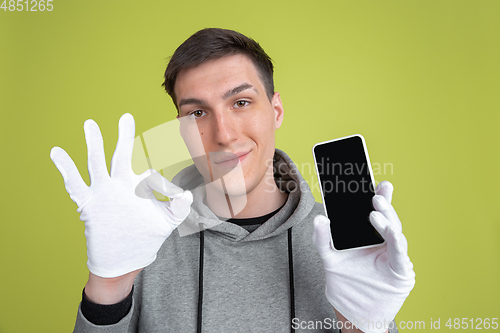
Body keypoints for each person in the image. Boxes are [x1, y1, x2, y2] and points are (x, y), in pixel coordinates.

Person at [50, 28, 415, 333]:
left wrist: (363, 325)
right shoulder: (143, 238)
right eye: (197, 112)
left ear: (275, 111)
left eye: (240, 102)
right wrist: (108, 285)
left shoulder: (346, 244)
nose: (222, 135)